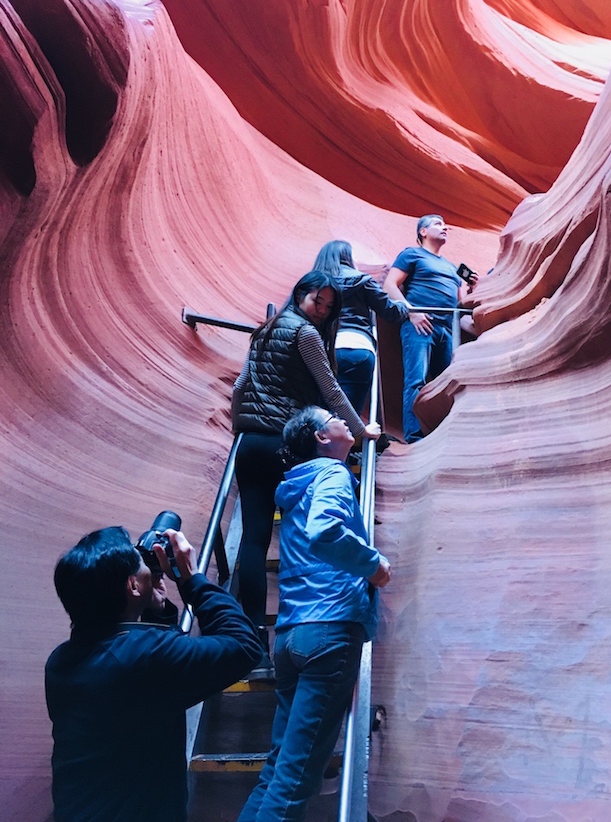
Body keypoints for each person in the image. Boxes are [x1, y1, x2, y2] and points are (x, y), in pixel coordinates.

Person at [45, 523, 262, 822]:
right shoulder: (144, 656)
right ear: (133, 586)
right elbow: (244, 646)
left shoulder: (59, 663)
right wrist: (191, 578)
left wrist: (157, 611)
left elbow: (145, 683)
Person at [238, 405, 391, 821]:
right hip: (330, 627)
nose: (346, 420)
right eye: (335, 418)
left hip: (291, 637)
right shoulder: (332, 474)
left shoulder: (295, 486)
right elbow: (326, 531)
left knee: (277, 771)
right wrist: (373, 565)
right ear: (322, 438)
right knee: (295, 780)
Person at [231, 271, 381, 674]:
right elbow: (330, 389)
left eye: (331, 307)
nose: (324, 310)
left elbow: (241, 385)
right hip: (283, 442)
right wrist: (359, 429)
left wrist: (240, 429)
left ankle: (252, 644)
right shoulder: (306, 334)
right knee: (301, 532)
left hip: (249, 443)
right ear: (302, 294)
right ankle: (302, 628)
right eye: (320, 301)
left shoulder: (265, 330)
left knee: (254, 539)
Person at [384, 214, 476, 443]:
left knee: (448, 383)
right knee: (416, 379)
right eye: (437, 224)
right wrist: (411, 312)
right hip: (419, 325)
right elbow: (389, 285)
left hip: (446, 330)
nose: (445, 227)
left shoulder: (452, 268)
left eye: (445, 224)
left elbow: (458, 304)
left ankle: (446, 433)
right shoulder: (412, 254)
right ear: (422, 232)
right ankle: (414, 436)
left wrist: (472, 289)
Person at [312, 240, 409, 413]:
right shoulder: (362, 280)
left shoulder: (313, 283)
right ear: (347, 257)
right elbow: (390, 312)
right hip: (358, 347)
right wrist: (405, 307)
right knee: (348, 417)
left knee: (319, 414)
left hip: (321, 349)